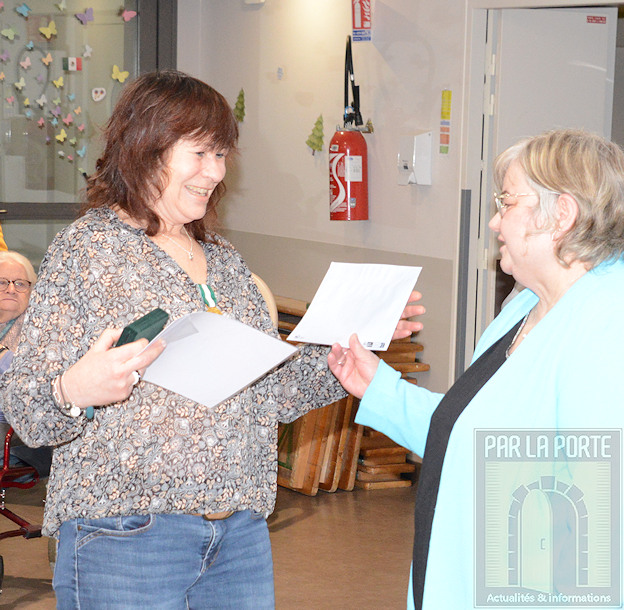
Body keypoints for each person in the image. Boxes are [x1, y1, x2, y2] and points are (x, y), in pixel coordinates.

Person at [1, 70, 421, 609]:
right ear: (145, 148)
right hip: (125, 536)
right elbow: (27, 409)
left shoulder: (224, 261)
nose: (215, 172)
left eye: (221, 155)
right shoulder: (87, 251)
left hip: (238, 536)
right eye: (199, 154)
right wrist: (74, 391)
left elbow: (270, 393)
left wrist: (350, 347)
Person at [329, 129, 624, 609]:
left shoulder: (608, 326)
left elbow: (603, 536)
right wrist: (381, 389)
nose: (493, 221)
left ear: (562, 215)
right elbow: (475, 435)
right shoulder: (525, 304)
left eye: (507, 202)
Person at [0, 251, 52, 479]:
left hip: (20, 433)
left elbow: (38, 383)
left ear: (32, 292)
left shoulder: (43, 331)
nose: (11, 289)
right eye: (2, 282)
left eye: (20, 283)